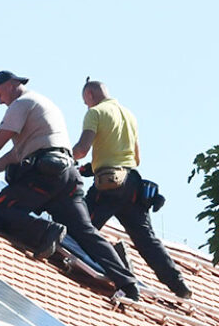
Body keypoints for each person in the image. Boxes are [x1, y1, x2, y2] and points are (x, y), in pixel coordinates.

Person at [0, 71, 140, 300]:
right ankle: (128, 284)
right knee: (85, 232)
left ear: (11, 85)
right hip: (67, 176)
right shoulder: (43, 105)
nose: (0, 102)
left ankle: (46, 231)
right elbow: (12, 156)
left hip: (44, 175)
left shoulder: (21, 104)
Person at [73, 80, 192, 299]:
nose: (86, 106)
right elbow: (135, 158)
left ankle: (119, 276)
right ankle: (178, 284)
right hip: (133, 184)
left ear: (89, 94)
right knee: (146, 239)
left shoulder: (95, 113)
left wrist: (64, 158)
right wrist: (92, 167)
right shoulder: (128, 115)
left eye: (85, 101)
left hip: (108, 186)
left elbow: (81, 149)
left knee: (82, 227)